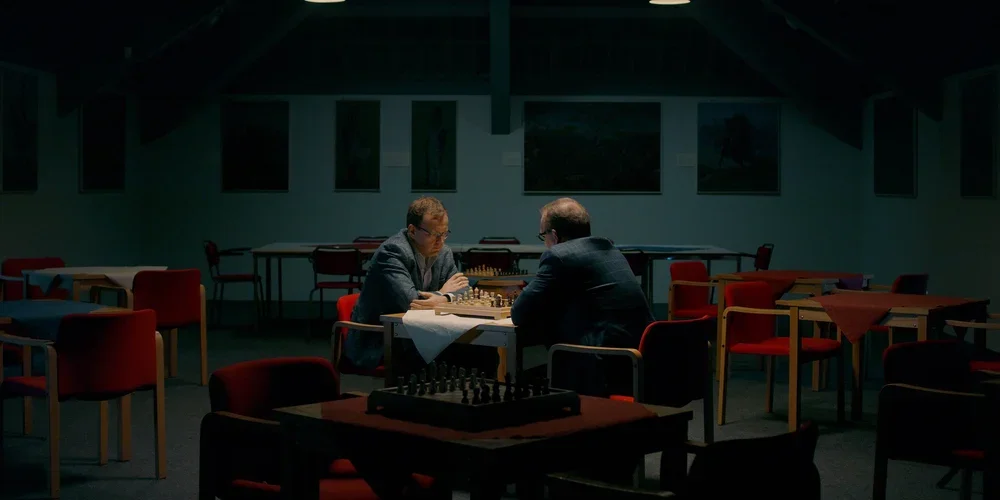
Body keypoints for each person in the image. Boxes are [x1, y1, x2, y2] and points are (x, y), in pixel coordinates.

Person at [511, 197, 654, 395]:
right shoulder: (610, 249)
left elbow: (519, 313)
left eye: (543, 235)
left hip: (601, 363)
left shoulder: (559, 255)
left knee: (522, 378)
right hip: (642, 358)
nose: (545, 242)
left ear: (554, 235)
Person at [344, 196, 472, 372]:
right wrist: (443, 293)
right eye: (434, 235)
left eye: (444, 234)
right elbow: (411, 301)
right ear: (412, 231)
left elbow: (463, 288)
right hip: (384, 339)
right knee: (448, 359)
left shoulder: (443, 252)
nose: (441, 241)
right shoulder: (392, 252)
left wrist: (444, 297)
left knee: (481, 352)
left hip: (421, 333)